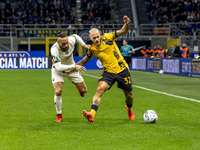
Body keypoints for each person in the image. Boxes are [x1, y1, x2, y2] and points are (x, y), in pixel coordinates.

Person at [76, 15, 135, 122]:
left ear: (100, 35)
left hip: (123, 70)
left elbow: (122, 32)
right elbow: (84, 60)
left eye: (98, 36)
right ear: (90, 39)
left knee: (129, 96)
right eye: (94, 38)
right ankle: (92, 113)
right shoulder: (92, 49)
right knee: (99, 89)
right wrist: (73, 66)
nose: (97, 39)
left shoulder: (108, 37)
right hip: (108, 73)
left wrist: (127, 24)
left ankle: (129, 109)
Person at [50, 31, 91, 122]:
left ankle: (77, 85)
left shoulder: (71, 41)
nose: (66, 45)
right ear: (58, 43)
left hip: (72, 68)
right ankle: (59, 115)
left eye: (67, 43)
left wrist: (84, 45)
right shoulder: (54, 49)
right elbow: (58, 66)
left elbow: (76, 36)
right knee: (58, 91)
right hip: (59, 70)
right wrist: (73, 66)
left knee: (84, 91)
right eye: (63, 44)